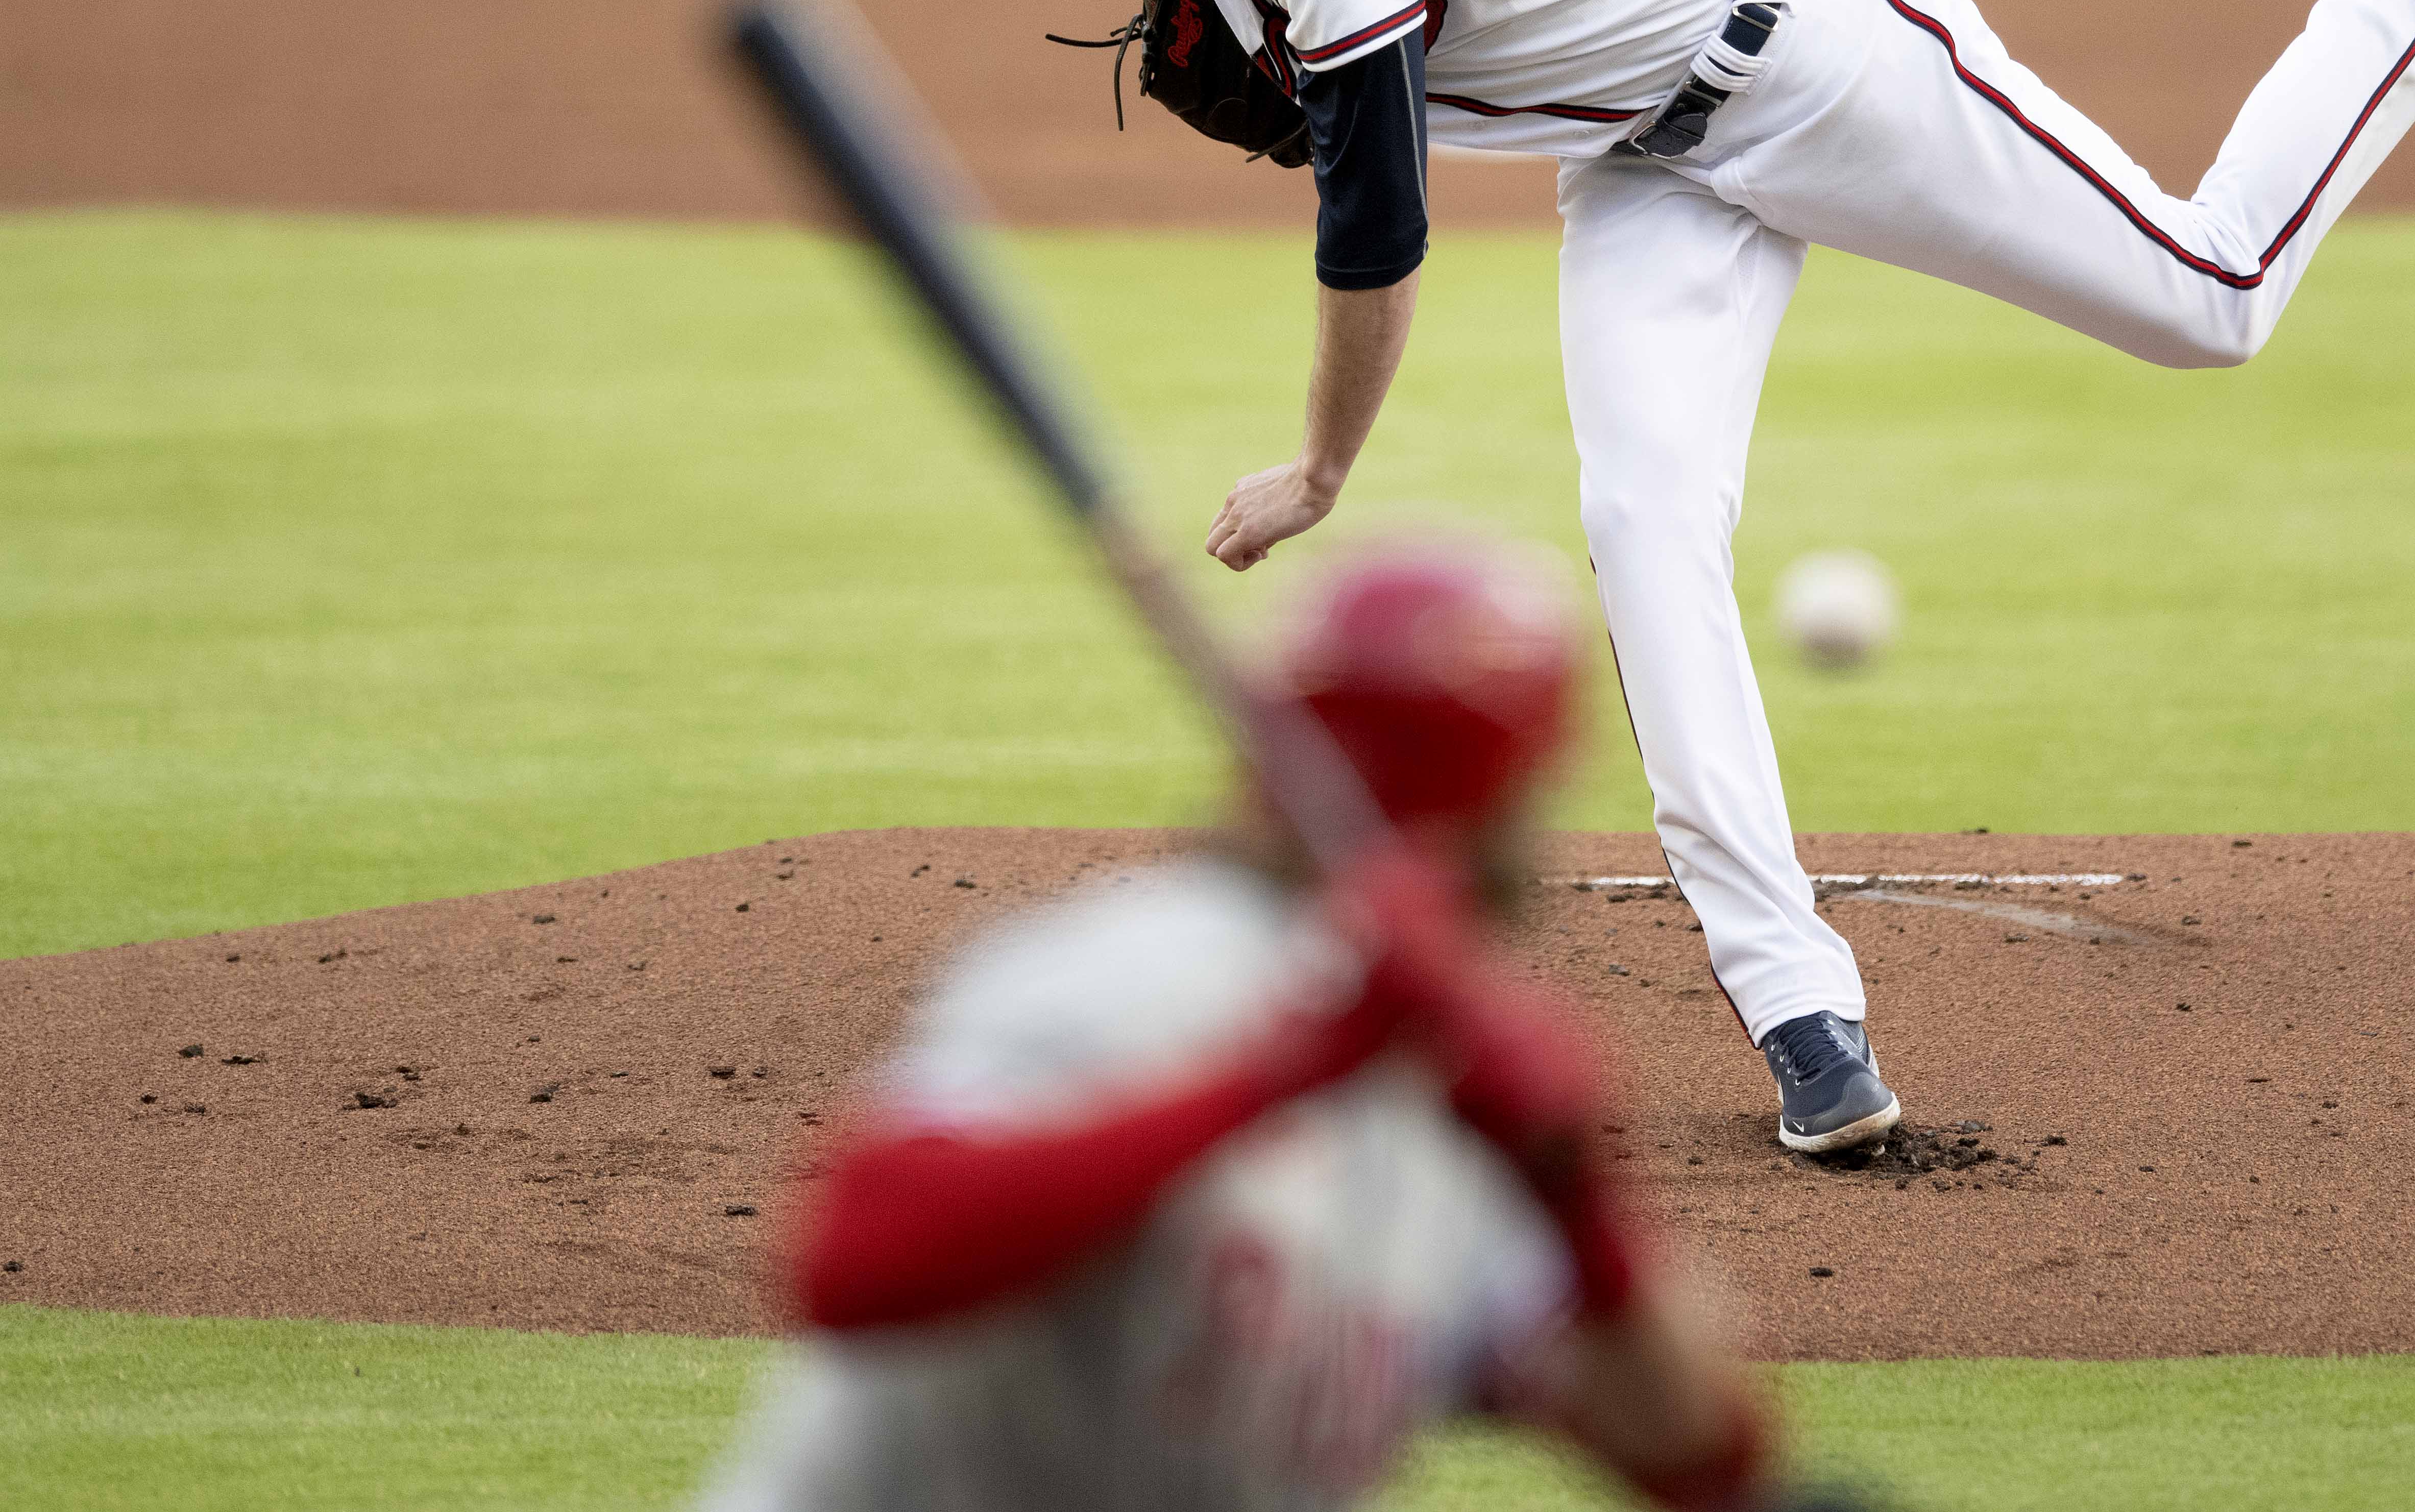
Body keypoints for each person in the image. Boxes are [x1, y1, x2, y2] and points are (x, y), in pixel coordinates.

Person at [957, 0, 2415, 1156]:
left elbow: (1378, 227)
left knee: (2210, 289)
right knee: (1643, 526)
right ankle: (1804, 1017)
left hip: (1822, 56)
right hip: (1646, 166)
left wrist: (1324, 468)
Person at [698, 540, 1801, 1512]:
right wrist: (1285, 1073)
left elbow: (1700, 1462)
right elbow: (858, 1260)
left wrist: (1576, 1204)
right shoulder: (1130, 969)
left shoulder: (1447, 1076)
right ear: (1510, 804)